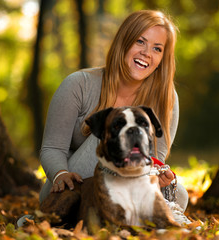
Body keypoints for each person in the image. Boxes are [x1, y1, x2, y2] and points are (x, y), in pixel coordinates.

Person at [39, 10, 190, 223]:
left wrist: (160, 175)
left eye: (157, 48)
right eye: (140, 42)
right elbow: (52, 148)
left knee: (179, 193)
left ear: (162, 59)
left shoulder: (166, 97)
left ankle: (129, 217)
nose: (147, 53)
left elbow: (155, 155)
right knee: (109, 135)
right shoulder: (79, 84)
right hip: (73, 188)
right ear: (124, 42)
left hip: (128, 182)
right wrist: (60, 174)